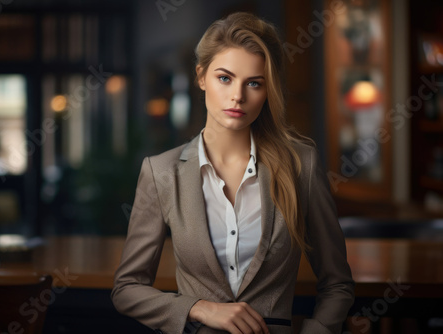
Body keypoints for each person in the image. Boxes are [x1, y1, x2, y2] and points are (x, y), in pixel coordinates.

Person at [111, 12, 355, 334]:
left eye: (253, 83)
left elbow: (338, 283)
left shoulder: (301, 165)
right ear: (201, 77)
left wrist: (317, 330)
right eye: (224, 78)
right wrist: (200, 309)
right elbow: (127, 289)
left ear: (268, 91)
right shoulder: (162, 172)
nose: (238, 96)